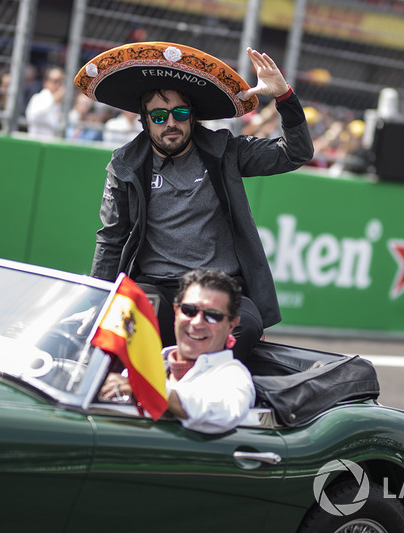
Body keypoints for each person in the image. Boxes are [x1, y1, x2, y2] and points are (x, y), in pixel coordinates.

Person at [73, 42, 314, 361]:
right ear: (145, 121)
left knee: (246, 327)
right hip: (156, 286)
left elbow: (296, 152)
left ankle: (190, 391)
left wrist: (284, 97)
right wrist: (95, 301)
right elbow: (111, 238)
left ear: (192, 117)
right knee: (123, 318)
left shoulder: (226, 151)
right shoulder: (125, 165)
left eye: (180, 113)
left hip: (220, 286)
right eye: (159, 116)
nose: (170, 123)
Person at [101, 269, 255, 434]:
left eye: (212, 316)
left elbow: (223, 412)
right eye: (189, 310)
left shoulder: (232, 375)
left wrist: (150, 389)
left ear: (232, 324)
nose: (197, 323)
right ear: (176, 311)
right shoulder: (151, 363)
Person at [25, 66, 65, 138]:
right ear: (46, 82)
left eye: (62, 81)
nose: (59, 85)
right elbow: (33, 117)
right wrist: (53, 99)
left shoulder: (63, 103)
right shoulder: (38, 98)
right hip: (37, 143)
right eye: (56, 81)